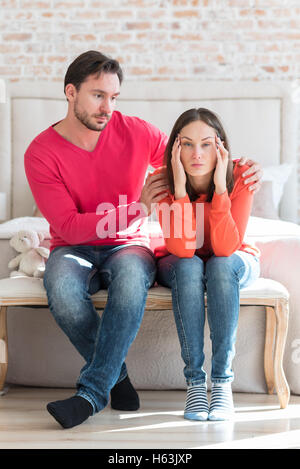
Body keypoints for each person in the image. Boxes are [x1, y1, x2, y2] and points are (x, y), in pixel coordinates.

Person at [24, 50, 262, 429]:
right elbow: (68, 226)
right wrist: (137, 208)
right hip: (72, 245)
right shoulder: (41, 152)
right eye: (98, 95)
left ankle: (90, 393)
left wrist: (238, 168)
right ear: (70, 92)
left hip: (127, 245)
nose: (107, 107)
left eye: (114, 97)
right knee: (64, 293)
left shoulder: (135, 131)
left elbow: (188, 154)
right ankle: (114, 377)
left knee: (133, 280)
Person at [155, 108, 261, 421]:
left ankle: (222, 383)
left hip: (234, 260)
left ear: (220, 147)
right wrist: (177, 188)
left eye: (206, 143)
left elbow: (227, 247)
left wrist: (221, 187)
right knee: (189, 267)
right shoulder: (160, 182)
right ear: (175, 148)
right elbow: (183, 249)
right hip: (180, 262)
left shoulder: (241, 174)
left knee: (219, 265)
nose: (196, 153)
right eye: (186, 144)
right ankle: (195, 385)